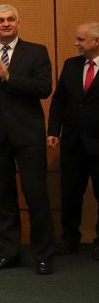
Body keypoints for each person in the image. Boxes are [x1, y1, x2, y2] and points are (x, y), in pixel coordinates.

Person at [0, 4, 56, 274]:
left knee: (35, 195)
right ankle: (9, 252)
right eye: (0, 21)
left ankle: (43, 255)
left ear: (18, 24)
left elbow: (44, 88)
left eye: (11, 20)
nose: (6, 24)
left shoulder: (36, 52)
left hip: (27, 136)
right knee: (4, 198)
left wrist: (10, 78)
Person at [48, 22, 99, 259]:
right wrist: (53, 130)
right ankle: (69, 238)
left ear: (96, 41)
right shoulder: (70, 65)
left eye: (80, 39)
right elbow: (59, 101)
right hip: (72, 143)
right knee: (70, 193)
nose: (76, 43)